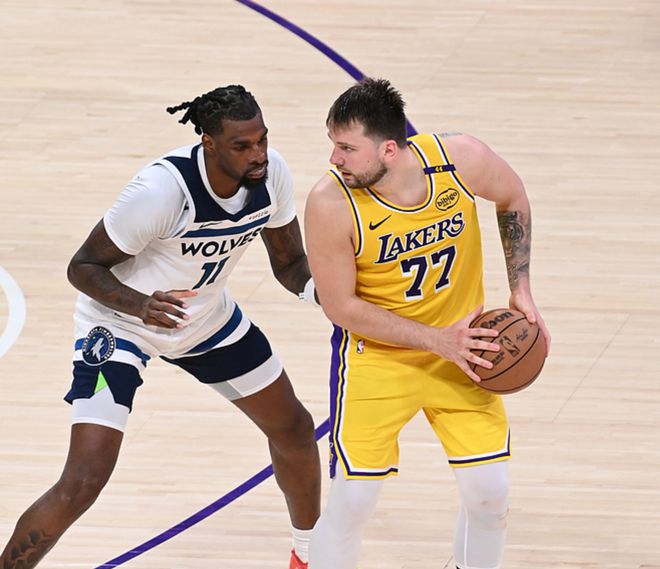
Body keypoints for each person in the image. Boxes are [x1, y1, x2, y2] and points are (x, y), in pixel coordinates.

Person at [0, 85, 321, 569]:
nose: (258, 154)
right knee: (84, 480)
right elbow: (82, 267)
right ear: (209, 143)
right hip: (119, 324)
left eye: (262, 140)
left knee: (294, 427)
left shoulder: (271, 175)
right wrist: (140, 305)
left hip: (205, 319)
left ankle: (310, 556)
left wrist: (324, 295)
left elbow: (291, 262)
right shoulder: (161, 192)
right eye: (242, 146)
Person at [304, 78, 551, 569]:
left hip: (465, 350)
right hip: (378, 360)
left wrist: (520, 287)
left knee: (489, 494)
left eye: (347, 148)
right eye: (334, 144)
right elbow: (342, 308)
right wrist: (437, 340)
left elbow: (512, 195)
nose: (335, 159)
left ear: (389, 149)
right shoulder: (330, 204)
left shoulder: (459, 160)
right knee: (353, 501)